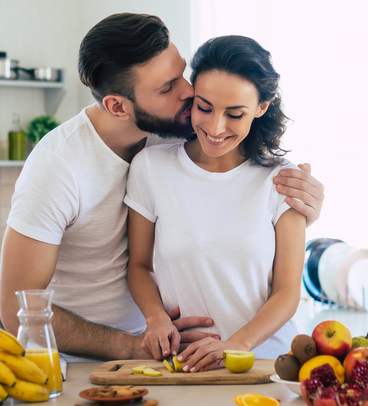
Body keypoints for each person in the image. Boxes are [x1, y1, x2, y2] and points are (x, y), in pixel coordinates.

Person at [0, 13, 325, 361]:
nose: (189, 92)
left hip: (173, 354)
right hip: (94, 363)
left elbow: (234, 184)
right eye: (168, 87)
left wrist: (303, 209)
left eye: (181, 74)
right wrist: (134, 345)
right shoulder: (58, 168)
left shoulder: (176, 128)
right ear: (118, 107)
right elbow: (15, 310)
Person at [126, 35, 305, 373]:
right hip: (183, 363)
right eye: (204, 107)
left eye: (235, 114)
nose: (215, 127)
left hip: (265, 363)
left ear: (261, 108)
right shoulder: (151, 167)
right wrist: (155, 318)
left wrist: (235, 345)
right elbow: (139, 266)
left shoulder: (282, 180)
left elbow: (286, 293)